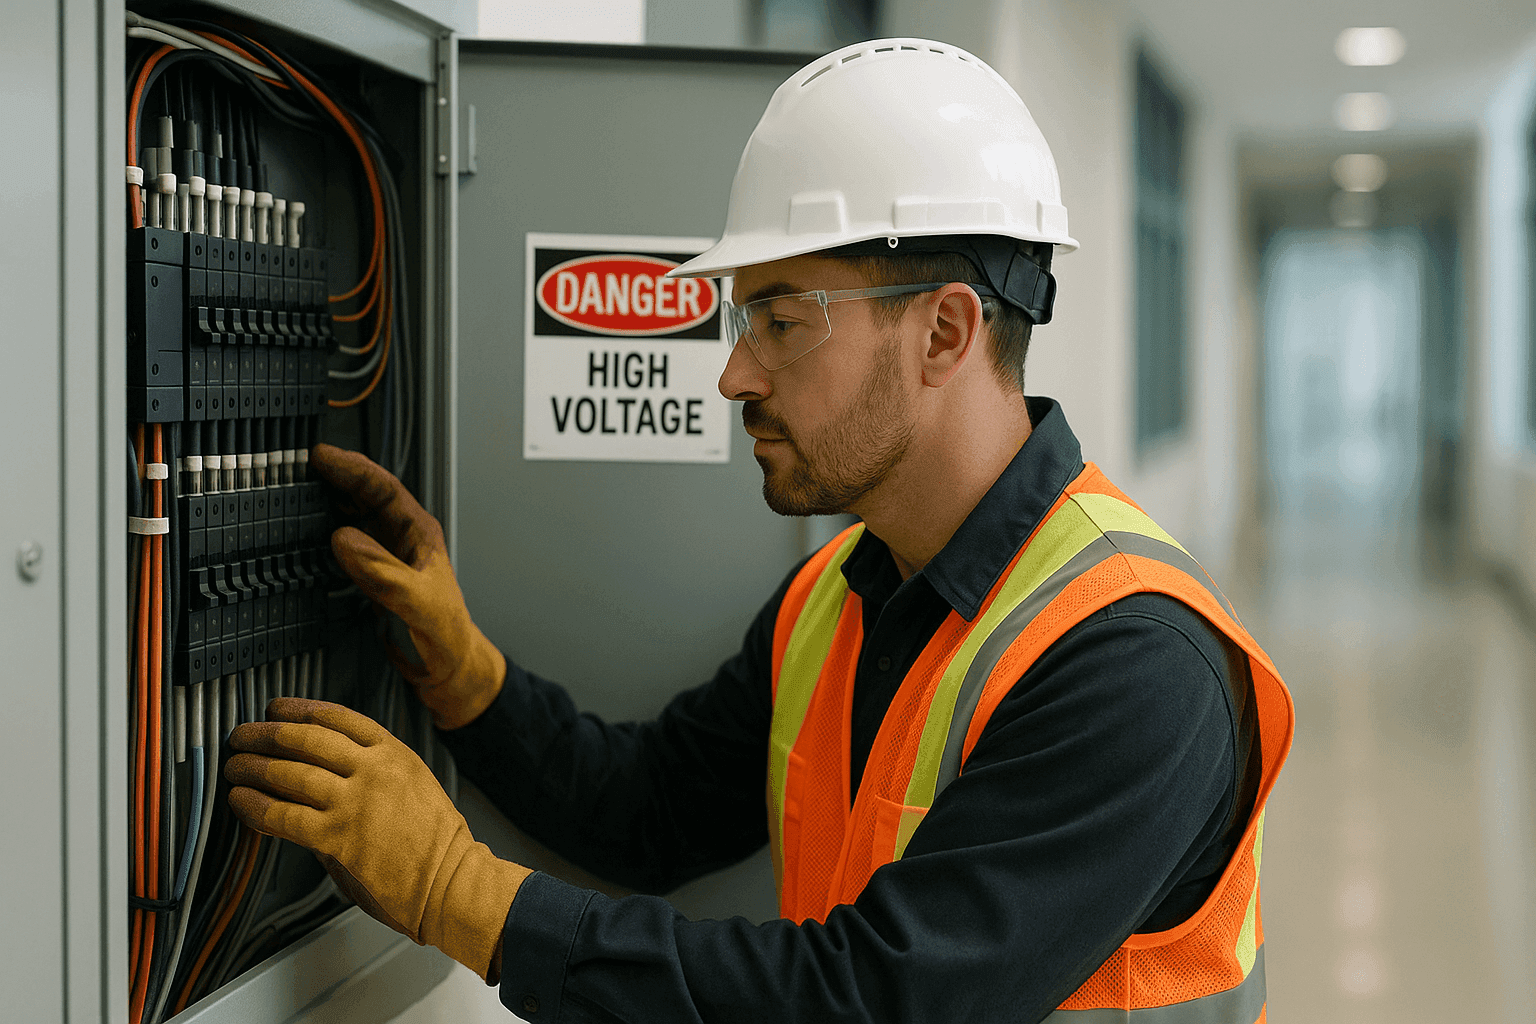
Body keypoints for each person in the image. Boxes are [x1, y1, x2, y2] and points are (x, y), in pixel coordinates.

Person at [224, 38, 1294, 1024]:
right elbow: (649, 809)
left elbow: (871, 998)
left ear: (946, 331)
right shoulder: (838, 592)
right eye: (747, 323)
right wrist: (466, 678)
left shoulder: (1134, 661)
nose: (734, 372)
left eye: (782, 321)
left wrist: (461, 895)